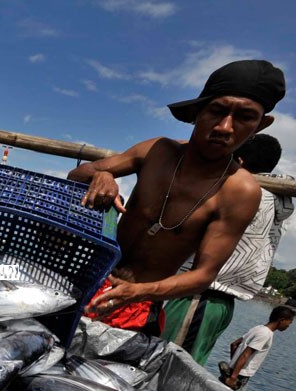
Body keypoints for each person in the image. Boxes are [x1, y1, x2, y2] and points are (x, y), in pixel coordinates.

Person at [68, 59, 285, 336]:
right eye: (216, 111)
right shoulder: (157, 151)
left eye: (244, 117)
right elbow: (78, 173)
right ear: (197, 112)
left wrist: (139, 292)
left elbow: (204, 275)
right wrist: (101, 175)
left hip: (138, 306)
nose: (225, 127)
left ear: (260, 124)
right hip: (86, 278)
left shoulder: (240, 191)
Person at [162, 134, 292, 363]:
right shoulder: (276, 200)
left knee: (166, 360)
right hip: (221, 304)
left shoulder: (236, 191)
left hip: (199, 296)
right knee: (190, 363)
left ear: (239, 161)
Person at [219, 305, 295, 391]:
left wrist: (233, 364)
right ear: (282, 320)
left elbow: (234, 344)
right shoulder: (265, 334)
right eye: (289, 322)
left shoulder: (258, 328)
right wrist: (234, 377)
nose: (288, 326)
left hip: (234, 371)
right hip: (240, 376)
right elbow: (246, 354)